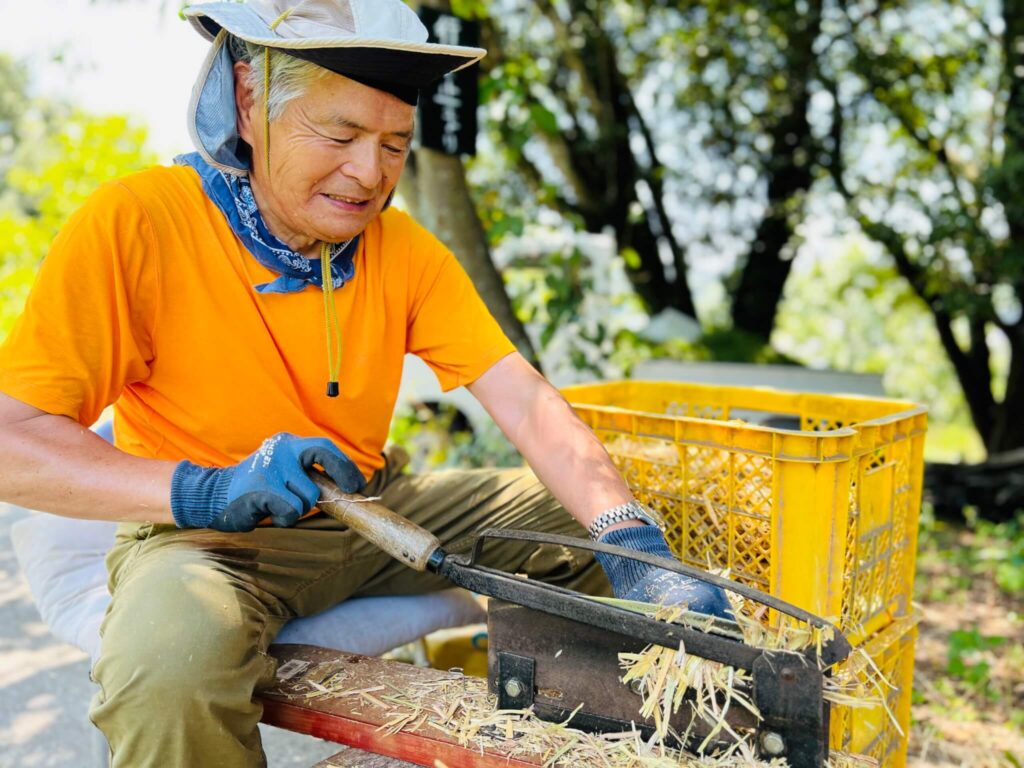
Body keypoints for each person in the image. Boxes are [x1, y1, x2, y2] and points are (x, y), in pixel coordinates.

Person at [0, 1, 730, 765]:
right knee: (166, 672)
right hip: (204, 537)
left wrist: (634, 544)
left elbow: (521, 395)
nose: (368, 173)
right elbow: (13, 445)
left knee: (653, 505)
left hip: (373, 513)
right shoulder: (139, 223)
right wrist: (207, 490)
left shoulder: (405, 249)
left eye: (394, 144)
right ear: (249, 101)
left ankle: (640, 731)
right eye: (341, 135)